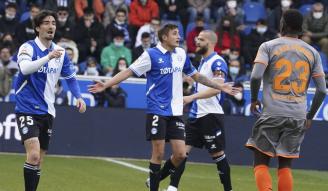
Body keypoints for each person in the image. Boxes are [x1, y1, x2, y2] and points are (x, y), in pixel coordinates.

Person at [88, 24, 239, 191]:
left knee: (181, 154)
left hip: (175, 111)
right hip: (156, 109)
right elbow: (128, 72)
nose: (179, 37)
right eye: (175, 34)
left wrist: (220, 86)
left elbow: (196, 76)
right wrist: (106, 84)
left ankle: (160, 180)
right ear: (165, 37)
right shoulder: (151, 54)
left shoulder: (181, 54)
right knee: (158, 154)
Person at [245, 9, 327, 191]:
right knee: (285, 166)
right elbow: (322, 89)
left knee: (261, 161)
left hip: (272, 111)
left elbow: (255, 77)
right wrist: (310, 116)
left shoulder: (268, 46)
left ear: (283, 24)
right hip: (298, 115)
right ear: (301, 28)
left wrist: (253, 99)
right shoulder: (313, 52)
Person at [15, 10, 86, 191]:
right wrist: (47, 57)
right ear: (37, 27)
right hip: (27, 107)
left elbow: (70, 77)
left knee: (40, 160)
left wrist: (79, 96)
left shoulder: (60, 53)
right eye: (46, 23)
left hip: (48, 110)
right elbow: (24, 69)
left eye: (53, 23)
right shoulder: (28, 47)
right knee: (33, 156)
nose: (51, 26)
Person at [156, 30, 233, 191]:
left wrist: (191, 98)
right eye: (197, 39)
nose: (197, 41)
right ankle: (172, 188)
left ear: (211, 43)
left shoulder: (217, 62)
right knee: (181, 153)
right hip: (195, 115)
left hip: (210, 115)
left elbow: (217, 89)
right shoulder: (202, 62)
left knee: (217, 155)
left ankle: (228, 189)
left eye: (201, 39)